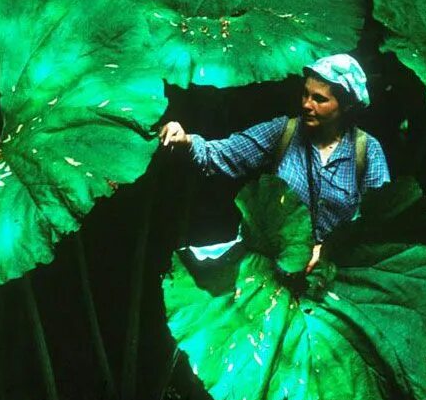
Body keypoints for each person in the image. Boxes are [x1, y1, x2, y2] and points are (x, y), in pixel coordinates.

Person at [158, 54, 390, 273]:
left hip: (334, 272)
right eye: (305, 94)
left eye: (319, 99)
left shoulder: (367, 151)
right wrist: (185, 140)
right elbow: (222, 154)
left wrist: (329, 247)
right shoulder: (285, 132)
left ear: (347, 105)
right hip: (271, 263)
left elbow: (377, 223)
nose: (307, 104)